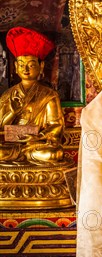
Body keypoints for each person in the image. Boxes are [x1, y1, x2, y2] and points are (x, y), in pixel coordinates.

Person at [0, 26, 64, 163]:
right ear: (16, 66)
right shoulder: (8, 95)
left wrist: (37, 137)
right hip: (13, 146)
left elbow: (56, 125)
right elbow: (1, 128)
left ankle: (25, 155)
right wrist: (12, 113)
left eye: (31, 65)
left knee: (54, 154)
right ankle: (24, 155)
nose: (26, 69)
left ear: (41, 67)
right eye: (22, 65)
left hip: (36, 145)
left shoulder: (49, 95)